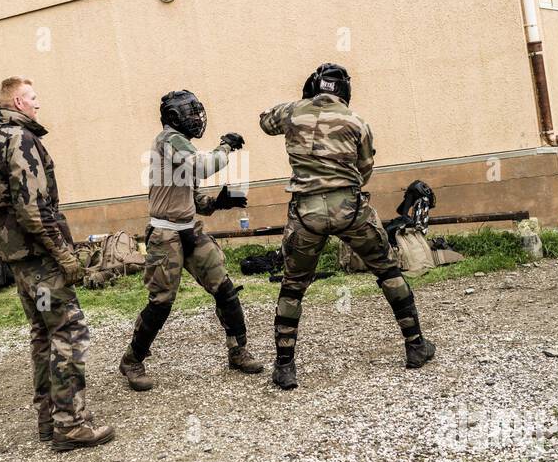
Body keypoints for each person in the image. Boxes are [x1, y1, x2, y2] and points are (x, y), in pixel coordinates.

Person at [259, 64, 435, 390]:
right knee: (388, 271)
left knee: (293, 286)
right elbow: (365, 169)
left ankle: (285, 368)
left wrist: (300, 107)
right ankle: (415, 346)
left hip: (306, 213)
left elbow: (265, 122)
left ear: (313, 86)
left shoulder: (291, 113)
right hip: (350, 209)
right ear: (345, 92)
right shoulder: (357, 122)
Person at [0, 77, 114, 451]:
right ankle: (71, 424)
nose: (39, 104)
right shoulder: (21, 140)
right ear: (18, 102)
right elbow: (32, 208)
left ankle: (48, 420)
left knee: (43, 334)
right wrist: (62, 252)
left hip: (18, 262)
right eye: (34, 98)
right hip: (40, 261)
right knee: (68, 333)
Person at [119, 90, 265, 391]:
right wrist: (224, 147)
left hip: (188, 229)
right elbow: (202, 165)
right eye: (191, 113)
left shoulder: (180, 147)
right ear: (174, 117)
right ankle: (132, 361)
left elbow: (196, 198)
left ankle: (238, 351)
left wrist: (220, 202)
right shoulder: (169, 140)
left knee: (225, 289)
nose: (197, 118)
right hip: (165, 235)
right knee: (161, 303)